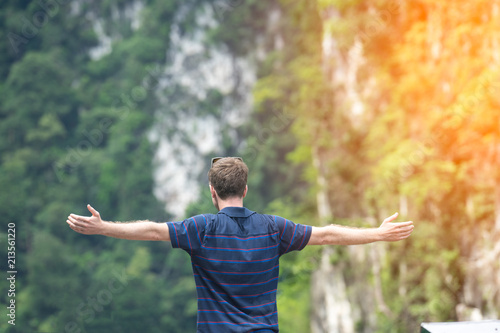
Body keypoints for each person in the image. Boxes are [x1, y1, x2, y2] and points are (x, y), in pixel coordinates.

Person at [67, 157, 414, 333]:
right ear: (245, 189)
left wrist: (103, 228)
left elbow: (153, 231)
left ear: (212, 192)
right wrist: (377, 233)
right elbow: (326, 234)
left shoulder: (200, 229)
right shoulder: (274, 228)